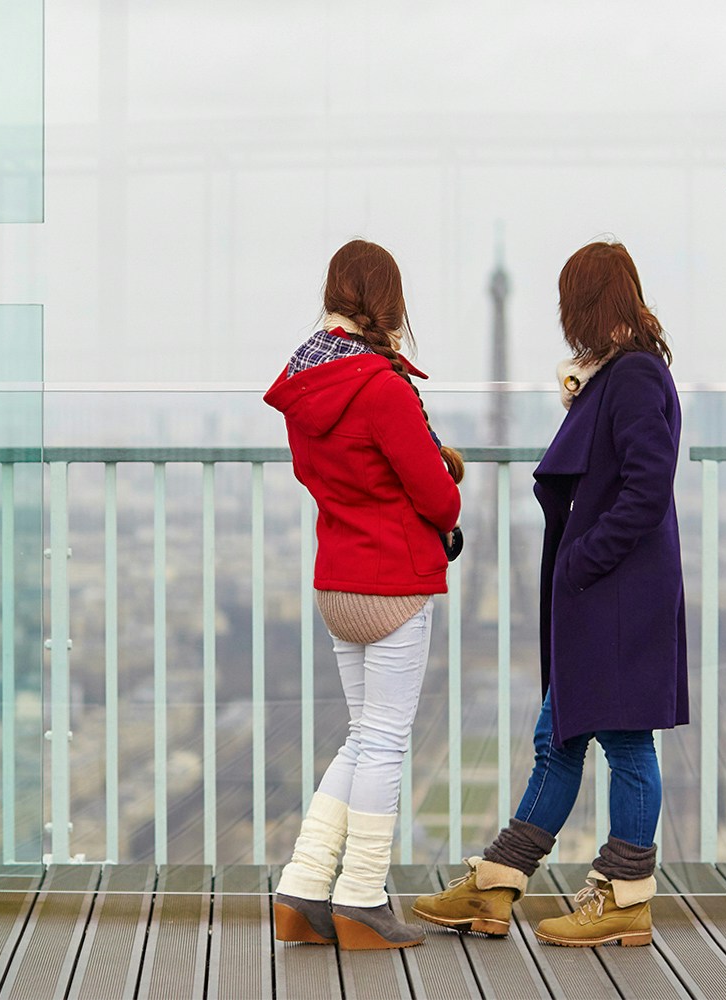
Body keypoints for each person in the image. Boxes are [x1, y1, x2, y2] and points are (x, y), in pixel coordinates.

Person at [413, 238, 688, 947]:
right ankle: (498, 883)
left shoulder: (629, 378)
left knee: (622, 742)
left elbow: (647, 486)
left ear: (589, 305)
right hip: (609, 594)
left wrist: (583, 561)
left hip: (616, 596)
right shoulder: (621, 374)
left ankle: (621, 897)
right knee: (558, 735)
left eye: (571, 302)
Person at [263, 239, 464, 951]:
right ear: (387, 298)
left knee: (360, 737)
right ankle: (362, 899)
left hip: (336, 580)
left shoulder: (305, 382)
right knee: (383, 743)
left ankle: (304, 887)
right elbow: (437, 497)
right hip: (392, 584)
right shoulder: (380, 385)